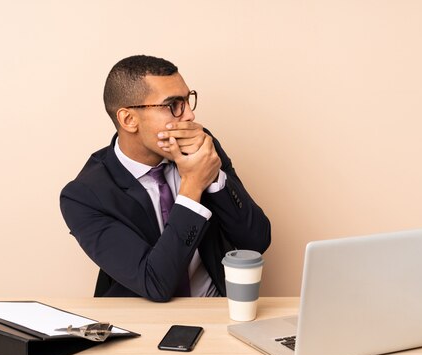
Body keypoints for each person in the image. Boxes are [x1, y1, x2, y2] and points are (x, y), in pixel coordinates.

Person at [60, 55, 271, 301]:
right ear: (129, 120)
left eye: (188, 100)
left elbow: (257, 240)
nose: (190, 116)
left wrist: (213, 176)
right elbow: (155, 283)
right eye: (174, 105)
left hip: (214, 311)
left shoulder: (201, 146)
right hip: (142, 322)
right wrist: (193, 185)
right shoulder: (85, 196)